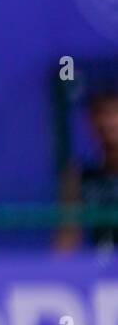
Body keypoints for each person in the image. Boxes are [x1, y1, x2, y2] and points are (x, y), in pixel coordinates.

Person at [55, 90, 118, 251]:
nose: (108, 122)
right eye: (101, 114)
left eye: (115, 113)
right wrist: (55, 271)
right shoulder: (78, 175)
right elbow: (68, 235)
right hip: (102, 270)